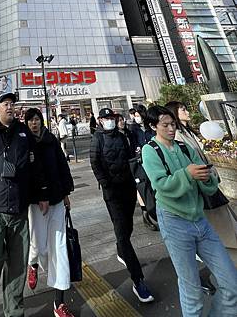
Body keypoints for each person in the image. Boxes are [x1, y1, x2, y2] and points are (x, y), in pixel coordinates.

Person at [142, 105, 237, 316]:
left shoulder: (185, 148)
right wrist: (187, 174)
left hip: (200, 220)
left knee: (231, 282)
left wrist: (207, 177)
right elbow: (162, 185)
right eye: (165, 125)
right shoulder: (150, 150)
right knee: (191, 287)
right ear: (152, 126)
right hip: (174, 222)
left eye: (172, 124)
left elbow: (207, 183)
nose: (170, 129)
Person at [0, 92, 48, 317]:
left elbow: (36, 166)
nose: (10, 107)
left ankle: (14, 310)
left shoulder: (24, 132)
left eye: (12, 104)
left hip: (19, 209)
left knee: (17, 265)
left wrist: (42, 193)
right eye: (6, 104)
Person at [90, 107, 154, 303]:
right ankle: (138, 280)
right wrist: (106, 183)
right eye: (106, 118)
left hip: (127, 189)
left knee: (128, 228)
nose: (109, 120)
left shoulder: (122, 136)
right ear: (100, 120)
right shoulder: (97, 139)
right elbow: (95, 163)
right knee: (122, 233)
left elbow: (129, 159)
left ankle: (120, 249)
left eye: (112, 117)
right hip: (112, 194)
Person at [166, 100, 237, 264]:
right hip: (202, 186)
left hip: (209, 182)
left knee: (223, 222)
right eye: (182, 109)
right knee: (220, 225)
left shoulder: (188, 131)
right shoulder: (178, 135)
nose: (187, 111)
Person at [25, 108, 74, 317]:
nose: (34, 123)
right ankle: (32, 263)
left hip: (56, 200)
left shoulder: (51, 140)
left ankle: (59, 302)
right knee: (39, 246)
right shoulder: (24, 142)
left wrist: (66, 192)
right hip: (35, 204)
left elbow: (62, 166)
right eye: (31, 120)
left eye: (37, 120)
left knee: (59, 249)